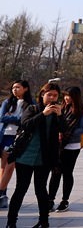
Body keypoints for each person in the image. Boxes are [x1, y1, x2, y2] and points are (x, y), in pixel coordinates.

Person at [6, 81, 65, 228]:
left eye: (55, 95)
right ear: (42, 95)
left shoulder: (57, 112)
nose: (52, 98)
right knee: (21, 189)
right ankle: (11, 222)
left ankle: (44, 222)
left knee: (41, 190)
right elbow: (25, 124)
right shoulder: (32, 108)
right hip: (25, 156)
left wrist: (60, 116)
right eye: (49, 94)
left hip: (44, 159)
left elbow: (65, 131)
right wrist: (43, 114)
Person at [48, 86, 83, 213]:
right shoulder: (61, 107)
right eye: (65, 95)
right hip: (58, 145)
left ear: (75, 97)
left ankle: (65, 200)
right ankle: (50, 200)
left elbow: (82, 129)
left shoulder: (82, 111)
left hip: (72, 145)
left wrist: (65, 132)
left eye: (69, 96)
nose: (66, 98)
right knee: (55, 172)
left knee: (67, 172)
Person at [0, 80, 33, 209]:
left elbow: (27, 121)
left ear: (25, 88)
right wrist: (18, 119)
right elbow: (2, 117)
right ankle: (3, 195)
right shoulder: (7, 103)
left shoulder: (31, 104)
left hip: (19, 137)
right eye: (13, 87)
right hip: (5, 136)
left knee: (10, 166)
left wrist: (14, 118)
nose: (14, 90)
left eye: (18, 87)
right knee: (3, 167)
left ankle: (1, 193)